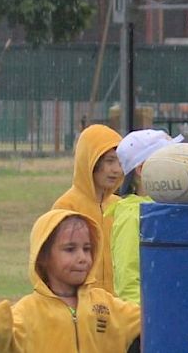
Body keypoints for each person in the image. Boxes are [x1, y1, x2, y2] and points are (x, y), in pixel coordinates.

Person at [0, 209, 142, 352]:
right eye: (70, 249)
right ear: (42, 256)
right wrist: (0, 326)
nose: (82, 258)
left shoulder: (107, 305)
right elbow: (6, 345)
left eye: (87, 249)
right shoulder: (27, 312)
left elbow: (151, 320)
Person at [106, 129, 183, 304]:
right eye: (169, 160)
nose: (178, 165)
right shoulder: (132, 216)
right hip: (150, 320)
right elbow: (128, 282)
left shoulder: (174, 205)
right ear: (142, 169)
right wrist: (143, 323)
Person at [51, 124, 124, 293]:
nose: (116, 170)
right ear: (90, 161)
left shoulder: (119, 206)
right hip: (81, 305)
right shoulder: (66, 207)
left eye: (120, 161)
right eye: (109, 161)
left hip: (116, 307)